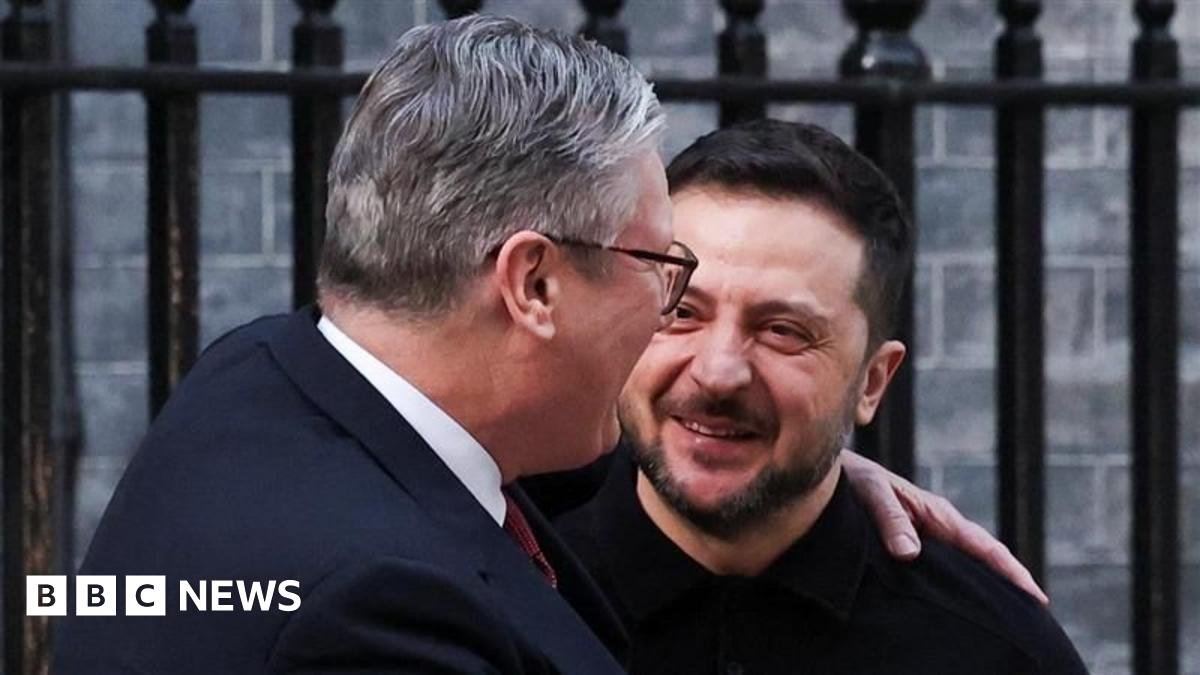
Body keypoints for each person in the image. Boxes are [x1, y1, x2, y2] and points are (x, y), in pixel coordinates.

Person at [56, 16, 1041, 674]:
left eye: (787, 332)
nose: (685, 333)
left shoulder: (260, 378)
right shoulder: (379, 618)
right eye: (668, 274)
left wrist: (808, 453)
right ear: (533, 284)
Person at [554, 119, 1088, 674]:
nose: (718, 373)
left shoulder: (995, 653)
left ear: (873, 382)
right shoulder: (506, 595)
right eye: (682, 312)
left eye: (783, 330)